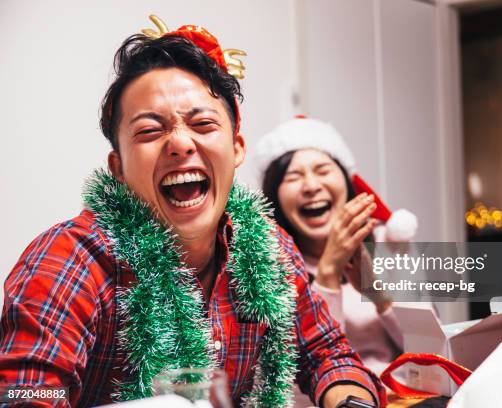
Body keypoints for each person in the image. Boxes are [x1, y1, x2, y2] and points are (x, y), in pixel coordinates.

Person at [0, 17, 384, 408]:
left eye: (202, 124)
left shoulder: (274, 250)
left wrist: (352, 393)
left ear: (236, 149)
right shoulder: (71, 258)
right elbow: (25, 393)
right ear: (117, 168)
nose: (180, 142)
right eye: (150, 131)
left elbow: (331, 355)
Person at [255, 117, 420, 405]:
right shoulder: (268, 264)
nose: (311, 186)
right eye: (293, 177)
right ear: (275, 196)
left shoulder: (388, 243)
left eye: (322, 170)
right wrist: (328, 274)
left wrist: (378, 296)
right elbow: (296, 382)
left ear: (345, 181)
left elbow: (430, 351)